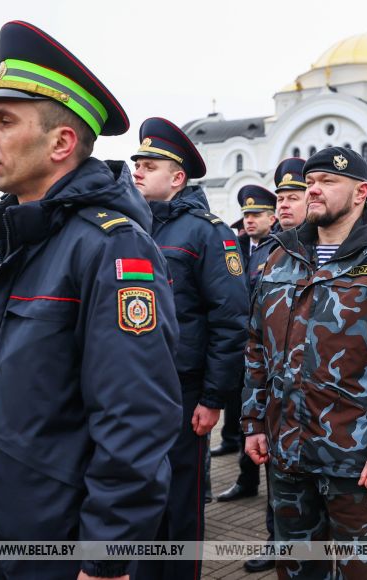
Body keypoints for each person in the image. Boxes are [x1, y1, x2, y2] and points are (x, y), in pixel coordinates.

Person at [0, 21, 182, 580]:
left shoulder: (111, 246)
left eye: (3, 121)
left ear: (61, 143)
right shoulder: (1, 241)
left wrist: (106, 558)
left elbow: (135, 415)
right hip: (4, 528)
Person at [242, 146, 367, 579]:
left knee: (359, 571)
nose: (313, 189)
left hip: (354, 456)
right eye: (310, 181)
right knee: (296, 567)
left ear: (360, 192)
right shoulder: (282, 256)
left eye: (327, 182)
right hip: (286, 450)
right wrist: (254, 421)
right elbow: (258, 346)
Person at [130, 117, 249, 580]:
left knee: (181, 500)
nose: (138, 170)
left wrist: (213, 397)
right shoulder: (131, 227)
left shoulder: (208, 232)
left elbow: (229, 319)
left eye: (150, 164)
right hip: (133, 386)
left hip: (183, 390)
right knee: (137, 495)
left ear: (177, 178)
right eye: (137, 162)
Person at [219, 157, 309, 574]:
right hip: (276, 387)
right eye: (282, 198)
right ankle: (278, 541)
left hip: (329, 398)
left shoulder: (347, 252)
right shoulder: (271, 255)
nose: (286, 205)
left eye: (295, 197)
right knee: (279, 476)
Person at [212, 184, 278, 458]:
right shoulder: (234, 247)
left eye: (257, 214)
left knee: (257, 405)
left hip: (263, 341)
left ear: (271, 218)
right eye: (246, 214)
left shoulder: (278, 247)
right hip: (237, 336)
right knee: (234, 397)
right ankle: (237, 459)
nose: (249, 220)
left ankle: (250, 470)